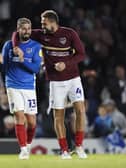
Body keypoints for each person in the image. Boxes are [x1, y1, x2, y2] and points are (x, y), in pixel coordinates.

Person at [12, 10, 87, 159]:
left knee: (80, 110)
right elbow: (17, 33)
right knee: (58, 116)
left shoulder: (69, 34)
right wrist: (15, 47)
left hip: (73, 78)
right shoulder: (40, 34)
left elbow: (81, 54)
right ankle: (64, 150)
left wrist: (66, 63)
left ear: (53, 22)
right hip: (55, 81)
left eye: (44, 22)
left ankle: (79, 147)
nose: (42, 25)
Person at [2, 18, 42, 159]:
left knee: (31, 122)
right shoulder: (8, 45)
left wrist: (22, 58)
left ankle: (29, 144)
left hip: (29, 87)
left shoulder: (36, 46)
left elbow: (36, 68)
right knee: (19, 116)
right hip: (13, 86)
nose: (26, 31)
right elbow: (5, 66)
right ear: (18, 29)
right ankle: (23, 149)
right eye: (24, 28)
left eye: (29, 28)